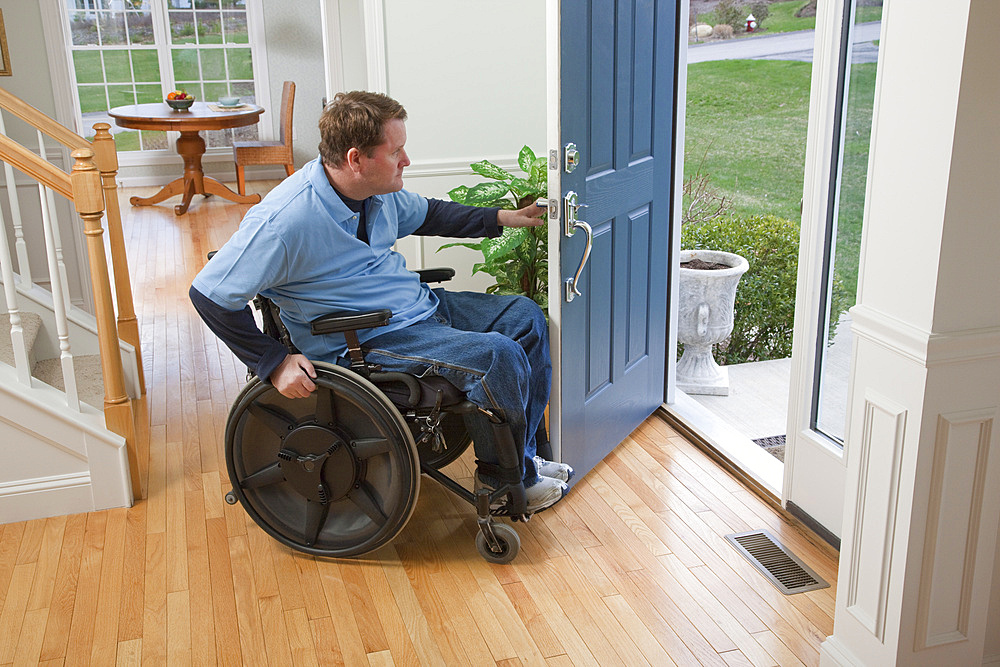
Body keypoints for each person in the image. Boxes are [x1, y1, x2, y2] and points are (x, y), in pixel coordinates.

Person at [190, 90, 573, 513]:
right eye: (396, 151)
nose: (406, 160)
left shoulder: (376, 192)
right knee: (497, 355)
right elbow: (208, 294)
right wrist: (274, 361)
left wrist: (503, 218)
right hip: (366, 337)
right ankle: (505, 483)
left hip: (419, 309)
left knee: (524, 315)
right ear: (356, 159)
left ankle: (528, 459)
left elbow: (429, 214)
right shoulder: (285, 220)